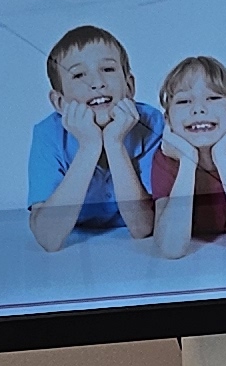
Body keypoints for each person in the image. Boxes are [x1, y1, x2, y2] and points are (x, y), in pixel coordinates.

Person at [25, 26, 156, 251]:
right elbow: (48, 238)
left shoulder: (152, 124)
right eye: (79, 75)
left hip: (130, 251)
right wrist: (88, 146)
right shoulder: (47, 134)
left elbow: (142, 228)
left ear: (129, 86)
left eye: (108, 69)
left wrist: (115, 143)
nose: (97, 83)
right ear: (60, 102)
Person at [146, 55, 226, 257]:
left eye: (213, 98)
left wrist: (222, 157)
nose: (199, 109)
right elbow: (171, 248)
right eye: (184, 101)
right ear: (168, 120)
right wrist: (187, 162)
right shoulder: (167, 157)